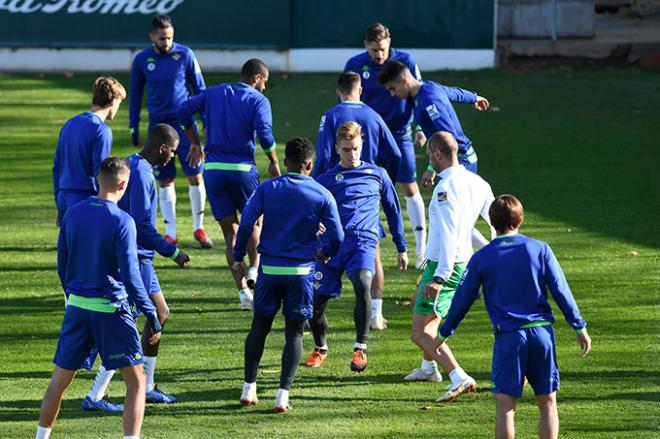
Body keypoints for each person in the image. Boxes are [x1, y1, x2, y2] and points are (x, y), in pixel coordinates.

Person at [439, 195, 592, 438]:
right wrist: (578, 326)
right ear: (520, 219)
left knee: (506, 408)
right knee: (548, 404)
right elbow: (560, 290)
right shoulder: (540, 249)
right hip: (542, 334)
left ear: (492, 221)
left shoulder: (482, 257)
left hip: (509, 337)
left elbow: (463, 298)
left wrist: (446, 330)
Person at [37, 157, 162, 439]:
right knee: (137, 381)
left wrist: (73, 295)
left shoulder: (73, 214)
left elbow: (62, 264)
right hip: (111, 311)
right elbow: (131, 277)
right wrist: (151, 314)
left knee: (59, 382)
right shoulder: (123, 221)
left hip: (77, 308)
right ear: (123, 184)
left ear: (97, 179)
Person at [81, 124, 190, 410]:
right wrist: (172, 251)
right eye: (173, 152)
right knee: (124, 327)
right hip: (136, 258)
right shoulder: (141, 173)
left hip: (141, 258)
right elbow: (141, 226)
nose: (173, 158)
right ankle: (95, 395)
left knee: (161, 313)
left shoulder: (133, 165)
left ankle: (149, 386)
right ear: (163, 147)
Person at [231, 137, 343, 412]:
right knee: (294, 334)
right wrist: (324, 251)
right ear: (309, 164)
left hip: (269, 271)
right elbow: (338, 236)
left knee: (259, 327)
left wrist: (237, 256)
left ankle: (248, 389)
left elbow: (246, 223)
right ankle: (282, 396)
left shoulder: (267, 188)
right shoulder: (321, 194)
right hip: (301, 273)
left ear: (287, 161)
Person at [178, 58, 281, 310]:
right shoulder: (258, 100)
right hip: (243, 169)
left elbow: (182, 110)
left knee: (230, 234)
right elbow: (265, 134)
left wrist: (193, 141)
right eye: (264, 82)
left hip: (213, 170)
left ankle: (243, 294)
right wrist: (274, 161)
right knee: (255, 224)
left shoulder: (213, 92)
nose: (264, 88)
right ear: (257, 77)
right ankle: (255, 270)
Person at [306, 122, 408, 373]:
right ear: (337, 149)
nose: (352, 155)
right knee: (315, 305)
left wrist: (401, 246)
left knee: (363, 282)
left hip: (363, 243)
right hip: (331, 246)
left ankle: (360, 348)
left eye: (356, 148)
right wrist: (314, 227)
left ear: (362, 144)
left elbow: (393, 211)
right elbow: (309, 212)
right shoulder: (325, 180)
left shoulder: (378, 174)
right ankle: (320, 347)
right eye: (346, 150)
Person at [406, 132, 494, 401]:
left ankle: (458, 375)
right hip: (458, 261)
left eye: (430, 159)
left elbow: (446, 233)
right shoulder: (478, 182)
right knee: (429, 319)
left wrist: (439, 277)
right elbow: (494, 222)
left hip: (446, 265)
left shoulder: (444, 189)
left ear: (436, 155)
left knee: (421, 332)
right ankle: (428, 367)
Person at [314, 71, 402, 331]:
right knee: (371, 256)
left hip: (339, 194)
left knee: (330, 253)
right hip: (369, 192)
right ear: (360, 90)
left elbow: (321, 156)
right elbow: (395, 153)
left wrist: (318, 188)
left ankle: (317, 314)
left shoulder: (330, 116)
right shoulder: (374, 116)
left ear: (338, 91)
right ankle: (376, 314)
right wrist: (384, 184)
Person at [377, 59, 492, 250]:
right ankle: (485, 255)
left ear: (404, 81)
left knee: (451, 217)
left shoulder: (429, 101)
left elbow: (448, 138)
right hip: (458, 161)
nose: (392, 94)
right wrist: (474, 97)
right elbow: (453, 92)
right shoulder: (428, 88)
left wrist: (431, 168)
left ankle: (485, 256)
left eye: (392, 88)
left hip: (459, 162)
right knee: (453, 216)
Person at [345, 22, 428, 271]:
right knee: (363, 185)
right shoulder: (354, 65)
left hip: (401, 133)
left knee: (409, 187)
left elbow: (418, 93)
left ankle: (421, 250)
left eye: (382, 49)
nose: (379, 55)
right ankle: (360, 246)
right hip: (368, 136)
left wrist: (420, 128)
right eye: (373, 51)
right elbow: (349, 100)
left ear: (389, 42)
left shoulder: (406, 60)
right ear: (365, 46)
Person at [129, 14, 212, 248]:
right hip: (158, 128)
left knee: (196, 173)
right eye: (162, 38)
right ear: (152, 36)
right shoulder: (142, 60)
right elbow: (135, 94)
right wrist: (133, 125)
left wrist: (206, 121)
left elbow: (200, 88)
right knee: (164, 179)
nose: (166, 42)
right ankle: (171, 232)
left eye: (170, 38)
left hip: (185, 125)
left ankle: (199, 228)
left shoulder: (185, 54)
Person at [52, 76, 126, 225]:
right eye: (120, 102)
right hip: (86, 199)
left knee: (67, 247)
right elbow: (101, 172)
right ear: (113, 101)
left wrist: (59, 202)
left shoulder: (69, 123)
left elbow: (56, 166)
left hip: (63, 196)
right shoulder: (101, 130)